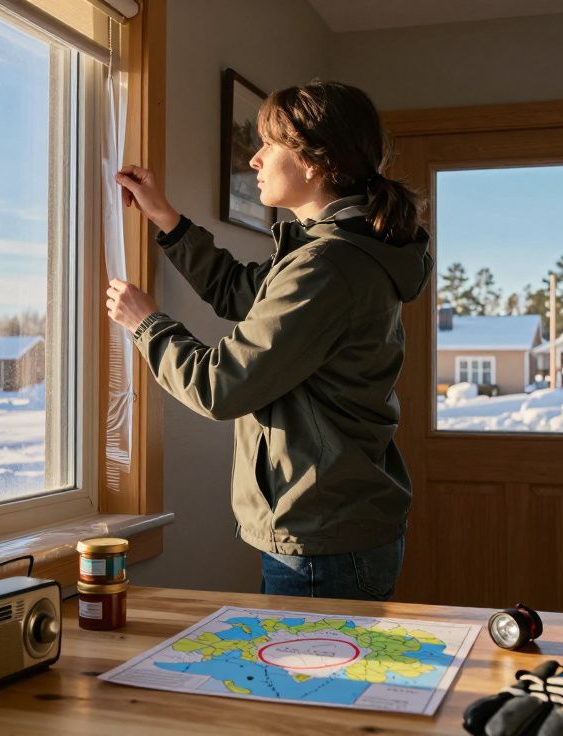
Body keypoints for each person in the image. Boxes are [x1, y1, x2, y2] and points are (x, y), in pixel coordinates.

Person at [105, 80, 432, 601]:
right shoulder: (340, 253)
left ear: (312, 161)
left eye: (268, 145)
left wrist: (148, 324)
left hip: (321, 540)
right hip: (333, 525)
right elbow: (242, 292)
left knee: (308, 682)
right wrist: (166, 219)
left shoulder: (327, 266)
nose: (254, 160)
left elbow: (221, 386)